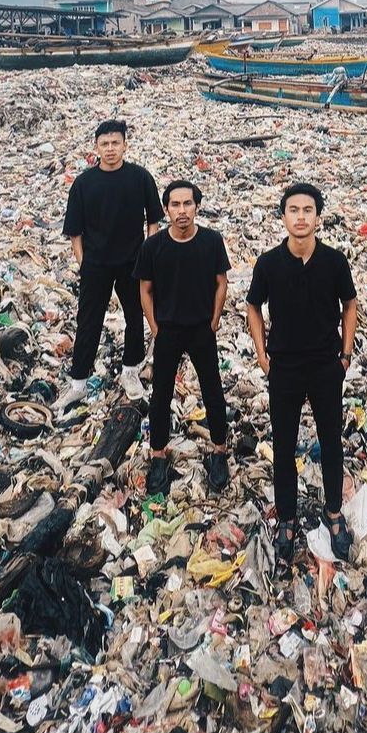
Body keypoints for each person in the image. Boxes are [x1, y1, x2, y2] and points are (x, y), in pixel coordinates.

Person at [246, 183, 357, 563]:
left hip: (326, 364)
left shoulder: (334, 261)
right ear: (284, 217)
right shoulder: (269, 263)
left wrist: (345, 354)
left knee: (331, 441)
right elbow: (253, 307)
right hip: (285, 367)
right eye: (293, 210)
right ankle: (287, 519)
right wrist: (262, 354)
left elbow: (350, 304)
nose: (301, 217)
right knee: (284, 445)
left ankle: (333, 512)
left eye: (308, 210)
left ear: (318, 217)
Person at [134, 180, 230, 496]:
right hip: (169, 330)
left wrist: (215, 320)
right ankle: (158, 455)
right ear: (166, 210)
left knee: (212, 390)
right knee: (161, 394)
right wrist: (155, 326)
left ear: (197, 207)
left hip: (202, 328)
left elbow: (221, 282)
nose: (182, 211)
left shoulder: (212, 241)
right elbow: (144, 289)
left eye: (187, 204)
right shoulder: (153, 246)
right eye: (175, 205)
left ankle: (219, 451)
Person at [59, 119, 163, 408]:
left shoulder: (140, 178)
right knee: (88, 320)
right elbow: (75, 230)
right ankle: (78, 382)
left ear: (125, 145)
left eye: (115, 142)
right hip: (96, 264)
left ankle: (131, 371)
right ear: (96, 147)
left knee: (134, 316)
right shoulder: (84, 183)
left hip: (132, 261)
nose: (110, 148)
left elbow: (153, 219)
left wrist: (148, 253)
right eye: (104, 144)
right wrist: (83, 262)